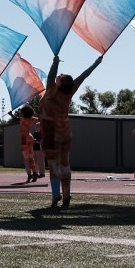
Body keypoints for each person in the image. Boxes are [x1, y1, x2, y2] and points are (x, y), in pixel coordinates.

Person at [39, 53, 103, 208]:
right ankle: (67, 193)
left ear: (59, 84)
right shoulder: (69, 92)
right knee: (65, 164)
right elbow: (83, 76)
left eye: (60, 77)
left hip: (51, 132)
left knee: (54, 165)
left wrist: (55, 64)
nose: (57, 77)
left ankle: (56, 195)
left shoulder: (51, 92)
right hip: (66, 131)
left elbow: (50, 76)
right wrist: (95, 63)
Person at [17, 105, 40, 182]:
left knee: (26, 159)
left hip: (24, 138)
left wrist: (10, 114)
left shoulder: (22, 119)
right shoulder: (32, 119)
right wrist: (37, 110)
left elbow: (14, 118)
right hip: (30, 138)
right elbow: (39, 118)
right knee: (31, 157)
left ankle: (29, 174)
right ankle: (34, 173)